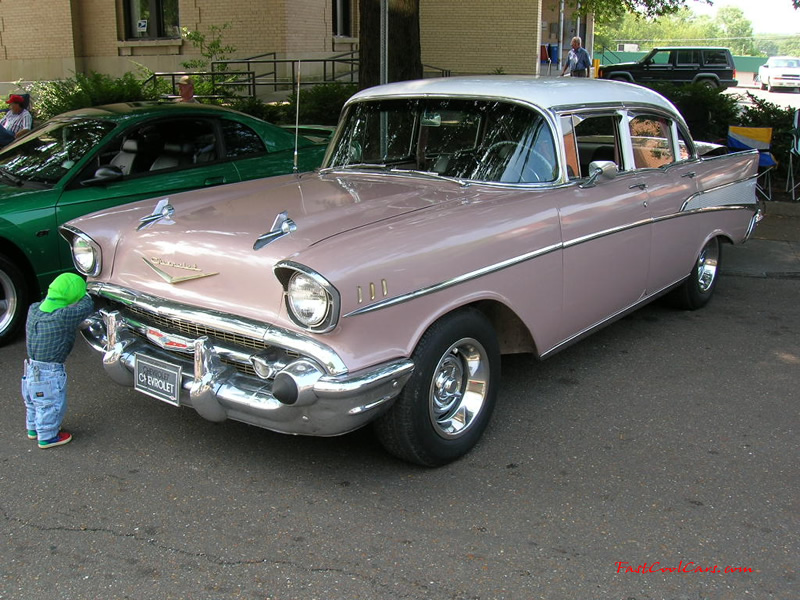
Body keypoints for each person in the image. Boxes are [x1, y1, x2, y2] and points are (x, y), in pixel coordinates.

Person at [21, 273, 94, 449]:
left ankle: (33, 429)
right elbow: (86, 306)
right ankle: (47, 436)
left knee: (33, 402)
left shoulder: (34, 309)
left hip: (30, 368)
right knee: (49, 404)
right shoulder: (62, 316)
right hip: (50, 372)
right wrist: (86, 294)